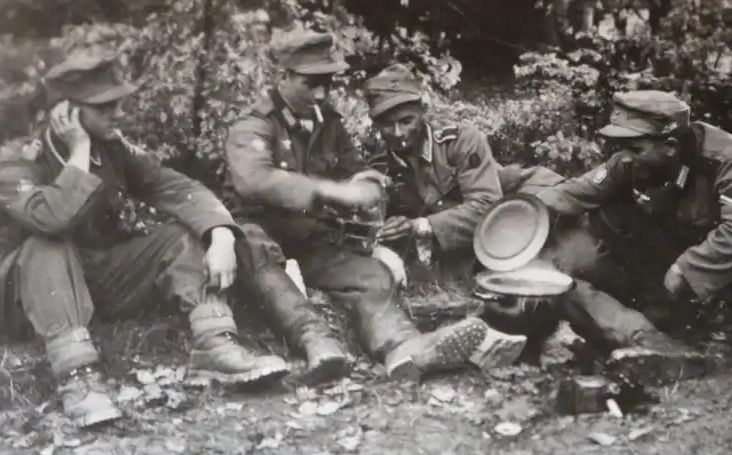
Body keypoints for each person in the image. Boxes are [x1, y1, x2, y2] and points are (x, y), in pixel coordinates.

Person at [0, 46, 290, 431]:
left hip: (86, 279)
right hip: (15, 293)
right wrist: (80, 151)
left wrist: (220, 233)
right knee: (49, 244)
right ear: (66, 113)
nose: (118, 115)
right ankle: (78, 379)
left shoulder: (113, 150)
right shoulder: (17, 164)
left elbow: (173, 187)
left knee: (176, 237)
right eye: (104, 108)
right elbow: (53, 218)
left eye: (117, 104)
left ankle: (215, 344)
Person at [223, 30, 529, 382]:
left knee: (371, 276)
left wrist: (368, 186)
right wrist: (334, 192)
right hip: (257, 235)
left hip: (310, 237)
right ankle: (317, 341)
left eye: (327, 83)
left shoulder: (328, 124)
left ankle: (405, 348)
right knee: (256, 249)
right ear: (283, 77)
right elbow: (255, 181)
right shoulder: (253, 126)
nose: (322, 94)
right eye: (312, 84)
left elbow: (358, 170)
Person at [527, 90, 732, 370]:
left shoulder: (730, 161)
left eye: (636, 148)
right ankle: (664, 302)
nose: (624, 157)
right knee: (611, 213)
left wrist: (686, 267)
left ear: (670, 147)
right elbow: (575, 193)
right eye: (622, 147)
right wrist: (516, 221)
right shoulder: (632, 160)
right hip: (707, 232)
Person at [361, 63, 565, 268]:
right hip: (476, 239)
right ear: (375, 124)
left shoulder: (460, 141)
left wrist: (419, 226)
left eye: (406, 121)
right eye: (387, 124)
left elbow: (486, 206)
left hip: (524, 204)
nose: (398, 133)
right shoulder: (380, 163)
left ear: (422, 112)